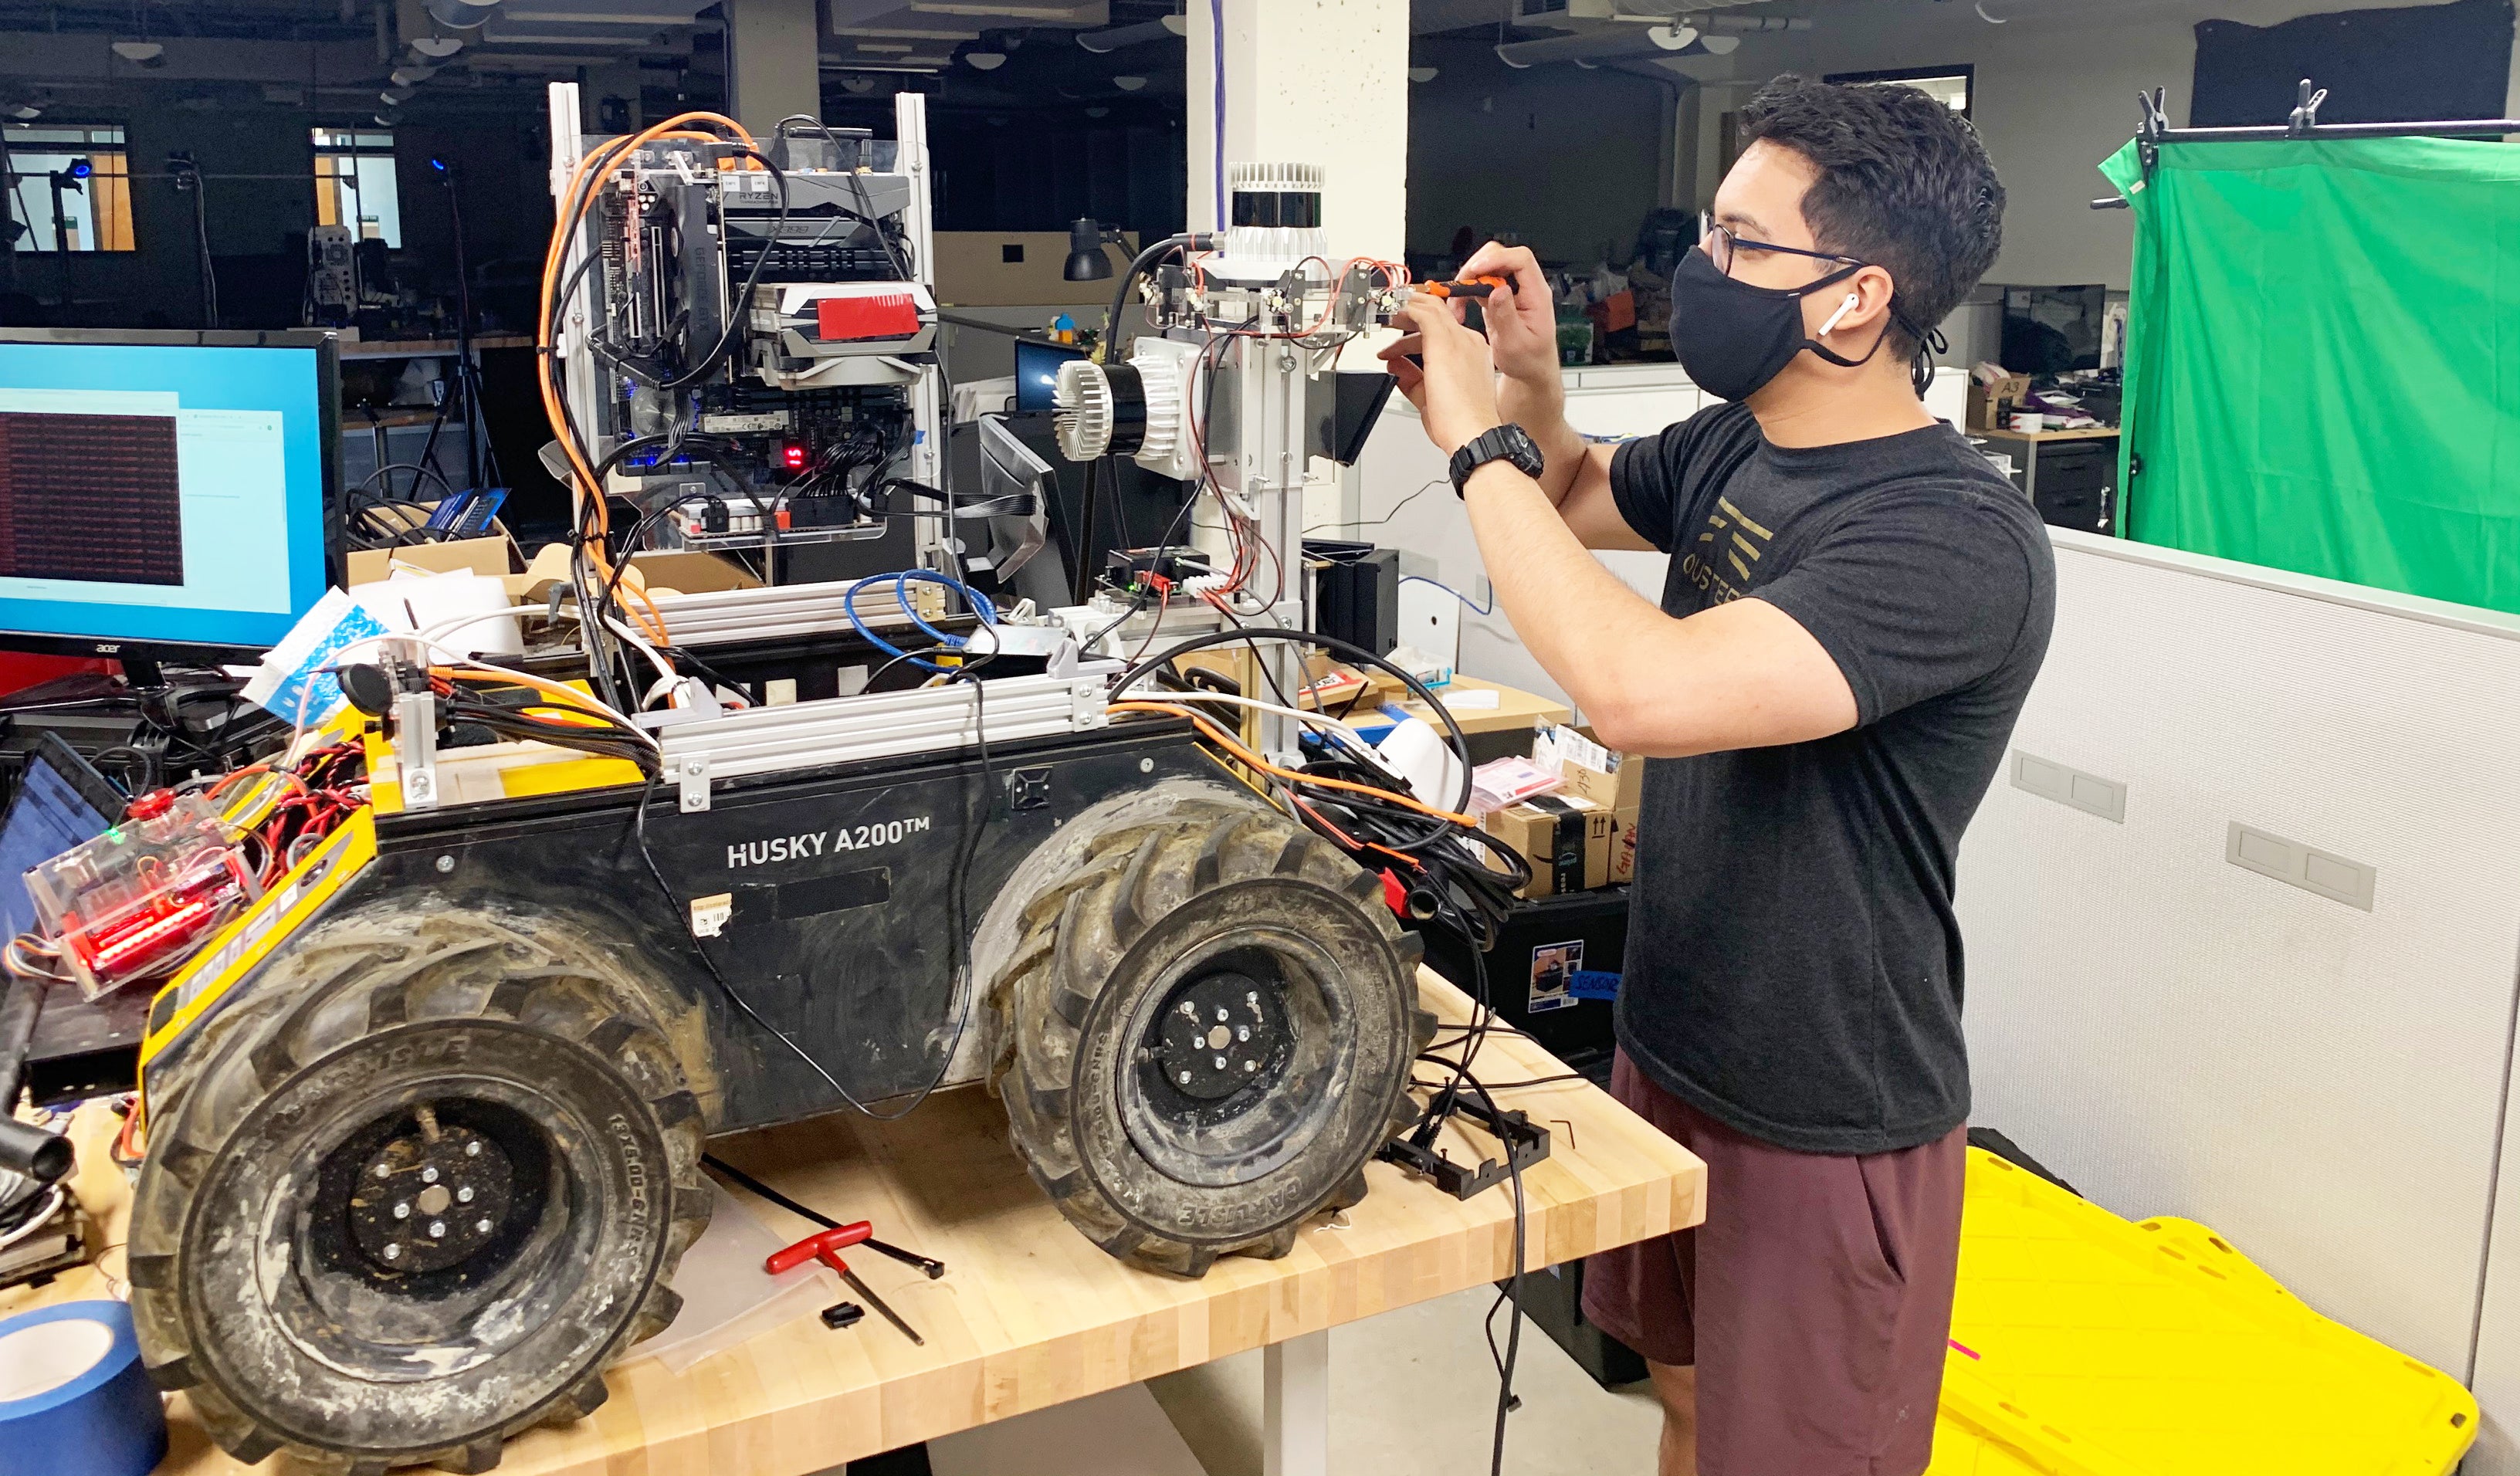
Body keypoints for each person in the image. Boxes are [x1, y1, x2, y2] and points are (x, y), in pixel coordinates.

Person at [1381, 75, 2053, 1476]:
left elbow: (1638, 691)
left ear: (1857, 299)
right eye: (1709, 230)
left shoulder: (1952, 539)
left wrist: (1469, 438)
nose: (1703, 269)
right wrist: (1529, 386)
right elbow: (1568, 496)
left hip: (1825, 1106)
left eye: (1745, 245)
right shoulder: (1742, 441)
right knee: (1685, 1407)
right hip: (1676, 1041)